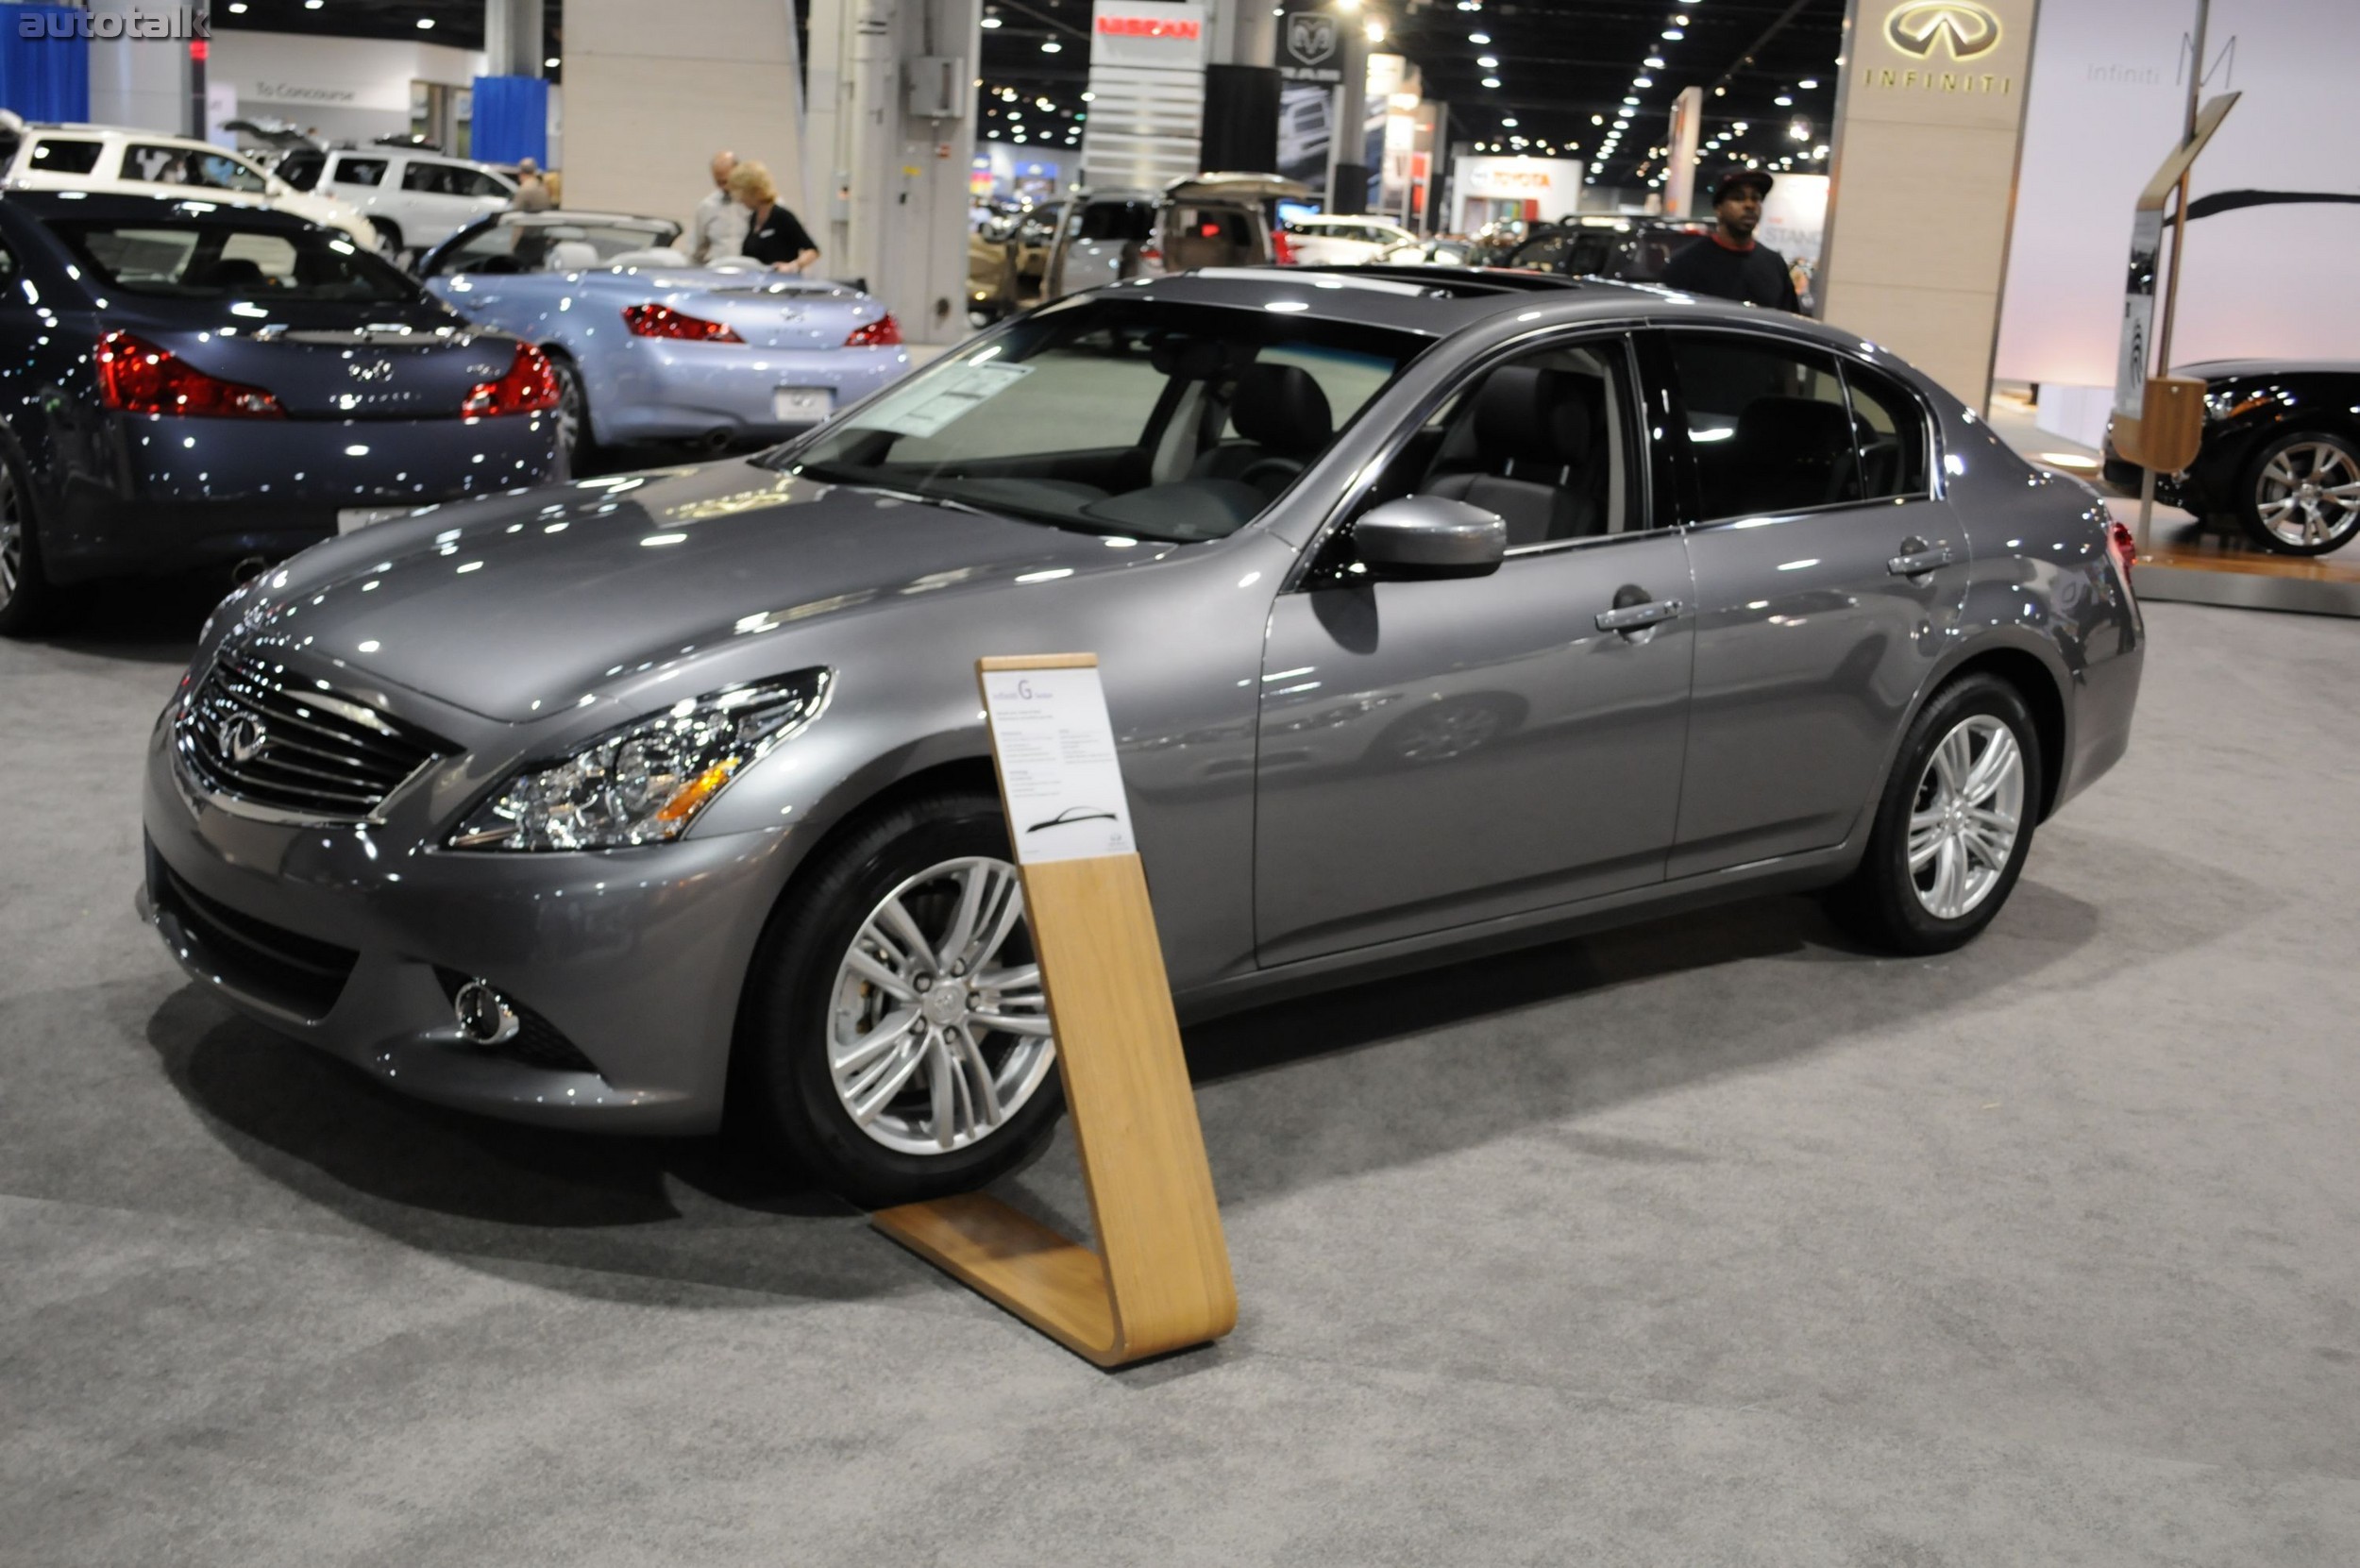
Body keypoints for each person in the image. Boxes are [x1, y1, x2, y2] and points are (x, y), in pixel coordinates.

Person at [1659, 167, 1800, 312]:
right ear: (1718, 208)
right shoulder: (1686, 263)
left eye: (1756, 198)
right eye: (1738, 198)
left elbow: (1790, 321)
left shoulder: (1774, 265)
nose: (1750, 205)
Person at [726, 160, 820, 273]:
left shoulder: (781, 216)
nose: (740, 199)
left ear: (752, 191)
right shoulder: (753, 218)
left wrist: (792, 266)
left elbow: (812, 250)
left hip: (782, 283)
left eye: (741, 194)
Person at [690, 150, 748, 264]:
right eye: (718, 182)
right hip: (718, 273)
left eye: (726, 181)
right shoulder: (707, 206)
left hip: (751, 273)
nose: (722, 187)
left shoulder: (756, 203)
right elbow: (696, 250)